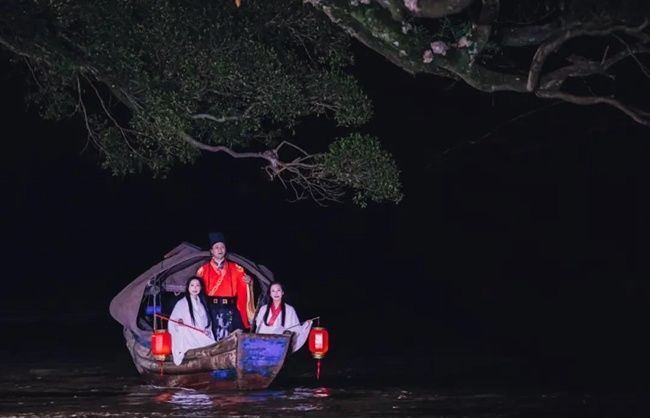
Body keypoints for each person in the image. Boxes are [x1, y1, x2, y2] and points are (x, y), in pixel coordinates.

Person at [196, 232, 255, 341]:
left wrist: (249, 281)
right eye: (216, 247)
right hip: (212, 309)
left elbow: (244, 287)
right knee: (211, 339)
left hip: (231, 309)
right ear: (211, 251)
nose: (220, 249)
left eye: (222, 247)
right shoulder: (203, 270)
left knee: (234, 339)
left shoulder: (237, 268)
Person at [168, 276, 215, 366]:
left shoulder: (202, 303)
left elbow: (207, 323)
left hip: (201, 333)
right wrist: (179, 322)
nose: (195, 288)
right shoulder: (181, 303)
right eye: (192, 285)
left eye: (197, 285)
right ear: (188, 288)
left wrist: (206, 331)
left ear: (201, 288)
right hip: (189, 334)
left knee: (210, 342)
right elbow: (172, 322)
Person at [254, 281, 312, 352]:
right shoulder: (263, 309)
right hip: (264, 343)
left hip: (280, 346)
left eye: (278, 290)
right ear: (270, 294)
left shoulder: (290, 309)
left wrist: (305, 326)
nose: (276, 293)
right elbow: (258, 328)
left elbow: (295, 328)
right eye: (273, 291)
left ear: (282, 292)